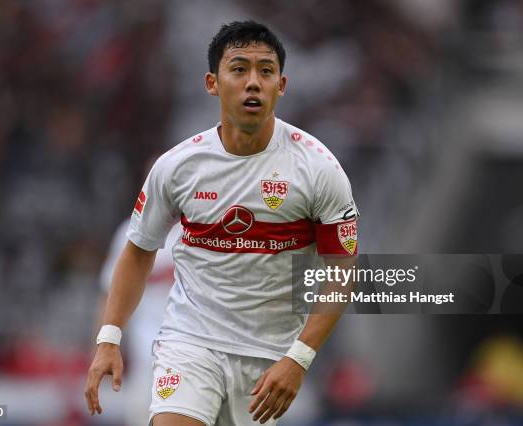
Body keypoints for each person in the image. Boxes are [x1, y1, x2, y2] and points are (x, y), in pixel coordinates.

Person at [85, 20, 359, 426]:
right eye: (239, 69)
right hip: (190, 344)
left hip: (270, 358)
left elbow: (343, 270)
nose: (253, 82)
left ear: (281, 86)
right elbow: (137, 253)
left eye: (265, 71)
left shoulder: (318, 168)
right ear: (213, 83)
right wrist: (109, 338)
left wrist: (299, 359)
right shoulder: (177, 167)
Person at [95, 220, 180, 424]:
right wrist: (101, 348)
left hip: (191, 350)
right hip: (145, 358)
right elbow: (108, 294)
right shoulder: (132, 229)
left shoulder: (205, 224)